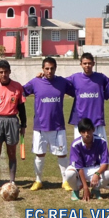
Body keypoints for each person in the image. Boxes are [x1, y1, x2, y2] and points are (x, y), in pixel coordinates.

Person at [23, 57, 75, 191]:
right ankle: (38, 180)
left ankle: (65, 181)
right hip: (40, 127)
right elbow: (21, 92)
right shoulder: (35, 82)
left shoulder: (62, 82)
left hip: (58, 126)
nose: (49, 71)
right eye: (47, 68)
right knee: (39, 154)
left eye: (52, 68)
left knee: (62, 154)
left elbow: (78, 92)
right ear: (42, 69)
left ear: (56, 68)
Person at [0, 60, 27, 192]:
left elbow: (22, 107)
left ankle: (12, 181)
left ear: (10, 72)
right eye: (1, 72)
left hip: (12, 120)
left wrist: (23, 125)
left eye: (6, 72)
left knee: (12, 152)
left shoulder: (17, 86)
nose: (4, 74)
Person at [64, 118, 109, 202]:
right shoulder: (75, 144)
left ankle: (95, 189)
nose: (86, 134)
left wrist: (97, 174)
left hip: (94, 168)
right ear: (80, 132)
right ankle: (76, 190)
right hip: (79, 170)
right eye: (83, 132)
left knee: (108, 174)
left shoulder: (101, 142)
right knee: (69, 174)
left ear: (93, 130)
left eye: (88, 131)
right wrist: (85, 187)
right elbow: (79, 167)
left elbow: (105, 163)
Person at [67, 53, 109, 141]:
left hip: (97, 120)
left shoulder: (101, 77)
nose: (87, 65)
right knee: (80, 146)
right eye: (85, 63)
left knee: (100, 146)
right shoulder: (75, 77)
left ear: (93, 63)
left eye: (89, 63)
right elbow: (59, 82)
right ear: (81, 64)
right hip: (80, 120)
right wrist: (42, 76)